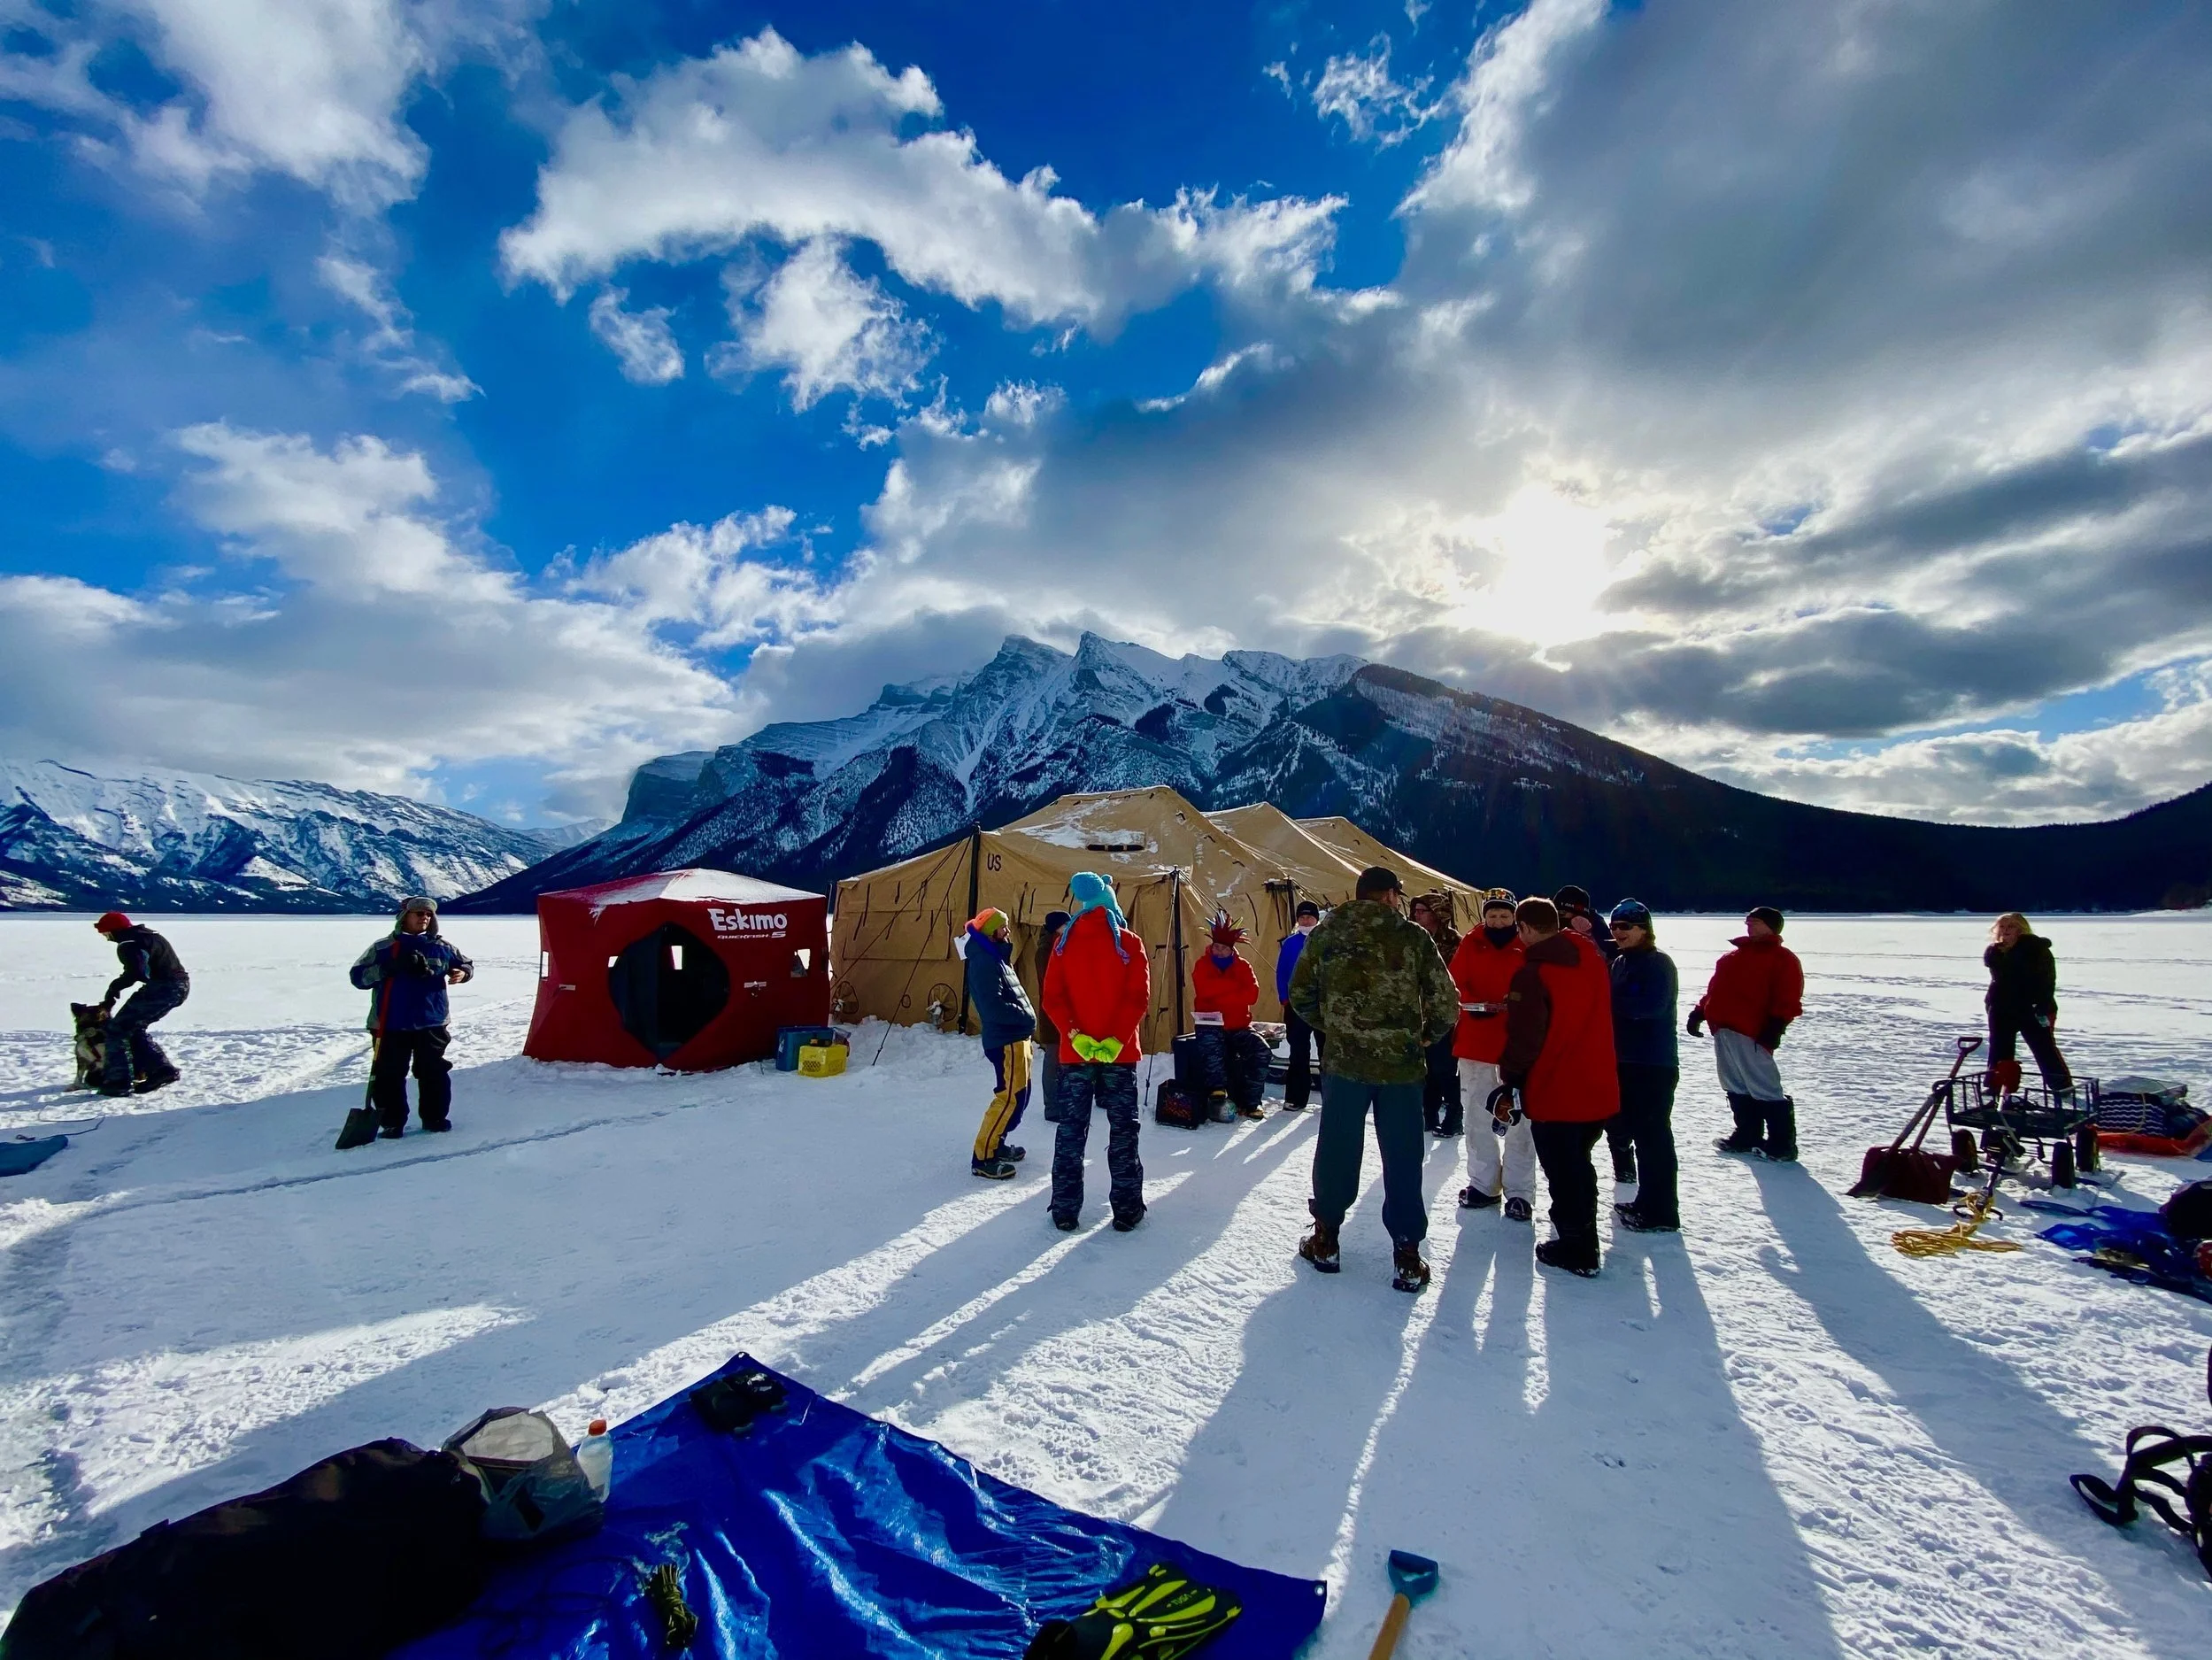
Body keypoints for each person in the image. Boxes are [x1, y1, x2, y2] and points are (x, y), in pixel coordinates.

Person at [1290, 865, 1460, 1293]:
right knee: (1403, 1155)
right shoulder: (1413, 938)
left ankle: (1326, 1239)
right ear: (1388, 897)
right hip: (1401, 1068)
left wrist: (1334, 1029)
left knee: (1338, 1148)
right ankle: (1406, 1254)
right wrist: (1420, 1037)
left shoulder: (1326, 935)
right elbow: (1447, 1001)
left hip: (1346, 1065)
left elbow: (1300, 993)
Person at [1499, 897, 1621, 1278]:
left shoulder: (1534, 974)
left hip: (1557, 1084)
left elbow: (1525, 1037)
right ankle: (1583, 1236)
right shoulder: (1590, 957)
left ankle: (1577, 1245)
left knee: (1565, 1170)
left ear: (1526, 929)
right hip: (1597, 1079)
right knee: (1579, 1165)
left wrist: (1511, 1077)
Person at [1043, 873, 1151, 1232]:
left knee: (1071, 1130)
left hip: (1076, 1056)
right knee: (1123, 1130)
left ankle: (1065, 1210)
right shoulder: (1130, 943)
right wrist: (1117, 1038)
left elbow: (1052, 999)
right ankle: (1126, 1208)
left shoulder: (1063, 946)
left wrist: (1074, 1034)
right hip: (1119, 1055)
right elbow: (1138, 997)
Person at [348, 897, 474, 1137]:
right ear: (404, 917)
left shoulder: (443, 947)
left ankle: (435, 1118)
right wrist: (385, 970)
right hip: (389, 1024)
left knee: (433, 1071)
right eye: (418, 913)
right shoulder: (383, 949)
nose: (424, 918)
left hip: (432, 1022)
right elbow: (358, 977)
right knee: (388, 1075)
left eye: (428, 914)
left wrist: (462, 973)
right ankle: (392, 1122)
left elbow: (466, 964)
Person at [1688, 906, 1804, 1162]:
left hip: (1753, 1031)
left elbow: (1788, 995)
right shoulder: (1730, 958)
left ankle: (1782, 1143)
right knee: (1734, 1083)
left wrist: (1777, 1026)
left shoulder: (1782, 959)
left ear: (1772, 926)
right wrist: (1699, 1012)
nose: (1750, 924)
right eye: (1749, 921)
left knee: (1764, 1084)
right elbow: (1714, 991)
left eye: (1757, 921)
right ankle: (1747, 1133)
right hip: (1723, 1029)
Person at [1451, 892, 1531, 1219]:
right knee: (1476, 1115)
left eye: (1504, 915)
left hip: (1517, 1044)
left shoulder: (1525, 944)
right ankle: (1484, 1184)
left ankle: (1520, 1190)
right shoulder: (1472, 941)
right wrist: (1471, 1002)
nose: (1498, 921)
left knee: (1520, 1119)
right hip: (1476, 1040)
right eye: (1493, 915)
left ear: (1514, 917)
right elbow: (1454, 981)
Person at [1607, 899, 1681, 1233]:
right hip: (1625, 1060)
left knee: (1654, 1137)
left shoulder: (1658, 963)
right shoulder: (1620, 962)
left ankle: (1662, 1211)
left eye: (1627, 927)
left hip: (1652, 1062)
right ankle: (1646, 1201)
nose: (1619, 932)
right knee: (1637, 1132)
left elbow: (1650, 1006)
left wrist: (1606, 1004)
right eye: (1615, 926)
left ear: (1644, 930)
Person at [1554, 884, 1634, 1185]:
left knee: (1609, 1101)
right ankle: (1573, 1161)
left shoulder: (1601, 931)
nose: (1563, 916)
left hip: (1601, 1030)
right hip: (1566, 1027)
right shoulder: (1553, 932)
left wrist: (1590, 938)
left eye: (1568, 910)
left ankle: (1622, 1156)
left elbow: (1613, 967)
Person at [962, 907, 1035, 1179]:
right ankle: (983, 1157)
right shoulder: (984, 962)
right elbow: (993, 1007)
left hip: (1017, 1038)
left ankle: (998, 1142)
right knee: (1008, 1098)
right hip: (1007, 1040)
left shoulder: (997, 956)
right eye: (1002, 927)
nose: (1007, 932)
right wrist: (1024, 1018)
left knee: (1020, 1097)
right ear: (991, 931)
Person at [92, 911, 189, 1097]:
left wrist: (114, 988)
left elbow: (137, 971)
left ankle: (118, 1082)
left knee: (117, 1030)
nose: (105, 938)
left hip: (163, 988)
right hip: (177, 986)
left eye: (105, 933)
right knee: (133, 1028)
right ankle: (160, 1070)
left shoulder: (129, 944)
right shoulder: (149, 936)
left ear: (113, 930)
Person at [1192, 912, 1268, 1121]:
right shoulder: (1202, 964)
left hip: (1239, 1025)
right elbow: (1204, 990)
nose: (1219, 950)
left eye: (1224, 948)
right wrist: (1235, 990)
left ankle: (1252, 1101)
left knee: (1262, 1050)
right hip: (1210, 1024)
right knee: (1211, 1046)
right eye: (1217, 946)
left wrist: (1220, 993)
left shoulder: (1243, 966)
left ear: (1232, 949)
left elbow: (1252, 995)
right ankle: (1218, 1090)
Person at [1984, 913, 2071, 1094]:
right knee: (1999, 1049)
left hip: (2031, 1007)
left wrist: (2042, 1004)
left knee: (2043, 1047)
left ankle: (2061, 1086)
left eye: (2011, 927)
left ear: (2021, 929)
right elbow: (1998, 981)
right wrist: (1990, 1002)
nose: (2006, 931)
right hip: (2001, 1007)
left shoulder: (2035, 949)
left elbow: (2048, 979)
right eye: (2003, 927)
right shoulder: (1995, 951)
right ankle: (1998, 1086)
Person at [1409, 893, 1465, 1136]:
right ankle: (1428, 1116)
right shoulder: (1413, 939)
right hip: (1418, 1013)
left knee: (1445, 1069)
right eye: (1416, 911)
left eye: (1423, 910)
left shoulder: (1454, 942)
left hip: (1443, 1015)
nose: (1417, 915)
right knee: (1426, 1070)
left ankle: (1454, 1118)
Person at [1275, 900, 1324, 1110]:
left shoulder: (1326, 941)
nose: (1305, 920)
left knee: (1327, 1052)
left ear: (1316, 919)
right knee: (1298, 1052)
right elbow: (1282, 972)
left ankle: (1332, 1098)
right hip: (1296, 1005)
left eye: (1309, 917)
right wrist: (1285, 998)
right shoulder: (1290, 943)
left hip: (1322, 1004)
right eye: (1302, 917)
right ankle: (1296, 1097)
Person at [1032, 909, 1070, 1128]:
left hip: (1059, 1013)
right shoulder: (1046, 950)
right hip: (1052, 1013)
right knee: (1053, 1061)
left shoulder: (1057, 944)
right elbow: (1051, 983)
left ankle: (1059, 1103)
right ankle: (1052, 1107)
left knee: (1061, 1061)